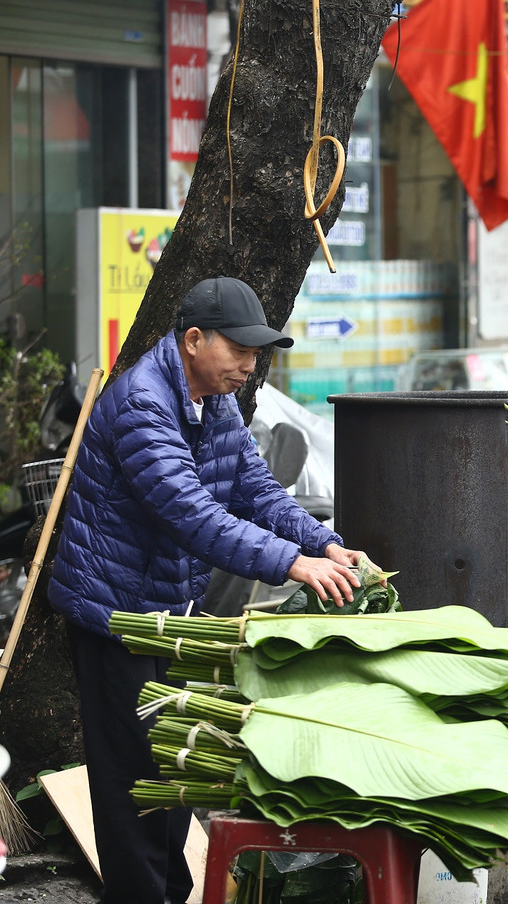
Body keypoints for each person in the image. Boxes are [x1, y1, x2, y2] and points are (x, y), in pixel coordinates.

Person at [48, 276, 368, 904]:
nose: (250, 367)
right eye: (239, 351)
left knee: (172, 766)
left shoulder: (213, 399)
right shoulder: (143, 404)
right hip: (116, 616)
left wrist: (320, 542)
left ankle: (172, 891)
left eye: (257, 354)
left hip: (169, 611)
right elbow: (192, 514)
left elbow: (255, 490)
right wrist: (292, 565)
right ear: (193, 340)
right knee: (132, 781)